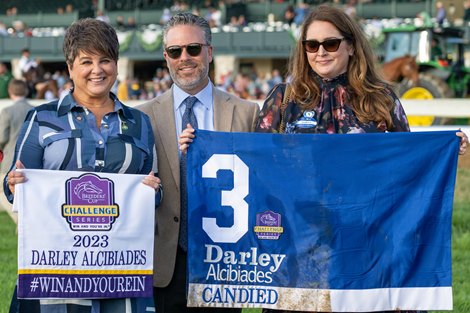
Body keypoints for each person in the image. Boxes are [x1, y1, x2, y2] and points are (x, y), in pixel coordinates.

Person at [180, 4, 468, 313]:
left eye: (330, 43)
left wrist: (444, 148)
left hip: (370, 249)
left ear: (351, 46)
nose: (320, 52)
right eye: (311, 45)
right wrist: (198, 146)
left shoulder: (381, 99)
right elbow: (255, 167)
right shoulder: (283, 98)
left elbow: (409, 167)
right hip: (297, 250)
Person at [4, 18, 162, 313]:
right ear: (70, 67)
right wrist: (14, 184)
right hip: (56, 272)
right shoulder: (41, 118)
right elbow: (15, 186)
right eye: (86, 61)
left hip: (120, 273)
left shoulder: (140, 123)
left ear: (116, 64)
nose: (96, 70)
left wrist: (152, 190)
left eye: (105, 60)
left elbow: (155, 189)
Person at [137, 12, 259, 313]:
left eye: (193, 49)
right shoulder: (142, 116)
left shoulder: (247, 113)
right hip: (166, 263)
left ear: (210, 51)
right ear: (166, 57)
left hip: (226, 264)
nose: (185, 58)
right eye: (176, 51)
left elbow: (261, 184)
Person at [0, 80, 33, 176]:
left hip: (10, 161)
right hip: (31, 163)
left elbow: (2, 138)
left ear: (10, 91)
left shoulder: (7, 111)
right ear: (26, 91)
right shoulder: (35, 110)